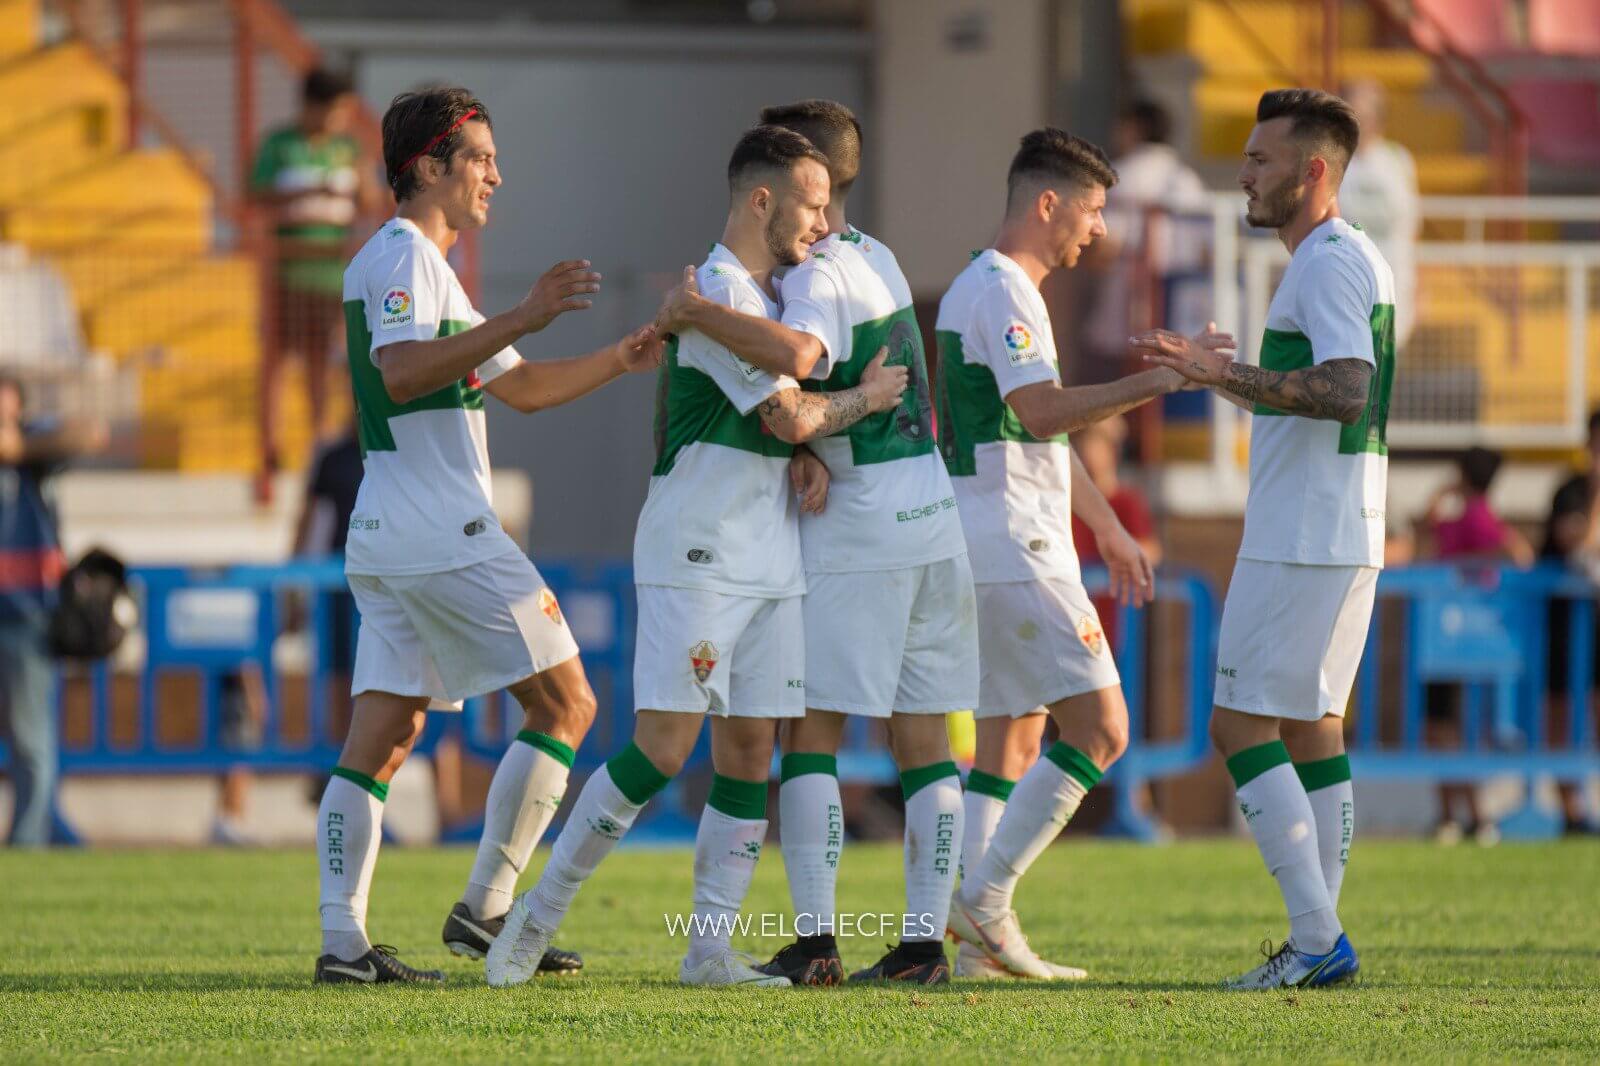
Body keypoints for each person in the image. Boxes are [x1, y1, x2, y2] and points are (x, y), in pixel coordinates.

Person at [486, 125, 907, 990]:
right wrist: (865, 399)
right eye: (813, 204)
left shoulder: (761, 294)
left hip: (770, 553)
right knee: (665, 749)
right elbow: (791, 412)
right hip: (702, 549)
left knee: (752, 750)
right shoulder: (714, 291)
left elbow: (784, 424)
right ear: (762, 199)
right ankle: (534, 920)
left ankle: (709, 950)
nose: (823, 223)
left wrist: (802, 448)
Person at [314, 86, 665, 985]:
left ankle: (344, 946)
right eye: (478, 158)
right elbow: (399, 376)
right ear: (427, 166)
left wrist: (622, 356)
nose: (496, 176)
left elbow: (525, 388)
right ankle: (487, 908)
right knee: (568, 706)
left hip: (396, 527)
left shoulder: (423, 267)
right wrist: (524, 313)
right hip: (440, 529)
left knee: (385, 737)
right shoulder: (404, 258)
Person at [647, 99, 974, 987]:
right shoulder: (886, 256)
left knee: (810, 733)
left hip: (864, 528)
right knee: (927, 742)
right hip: (932, 514)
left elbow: (800, 368)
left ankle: (820, 939)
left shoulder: (819, 274)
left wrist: (697, 315)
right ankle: (920, 946)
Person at [1136, 88, 1395, 990]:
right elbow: (1321, 387)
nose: (1244, 174)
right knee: (1314, 732)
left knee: (1238, 724)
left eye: (1260, 160)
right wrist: (1221, 378)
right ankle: (1317, 936)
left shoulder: (1323, 263)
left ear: (1312, 171)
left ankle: (1318, 939)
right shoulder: (1352, 255)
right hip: (1343, 526)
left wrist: (1227, 370)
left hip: (1302, 535)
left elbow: (1344, 388)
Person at [939, 128, 1201, 980]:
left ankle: (975, 948)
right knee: (1103, 728)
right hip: (1017, 541)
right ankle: (985, 899)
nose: (1097, 232)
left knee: (1011, 740)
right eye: (1091, 212)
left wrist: (1113, 528)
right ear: (1047, 203)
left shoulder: (983, 285)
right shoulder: (1008, 291)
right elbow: (1046, 412)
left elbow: (1032, 430)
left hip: (991, 530)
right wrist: (1156, 382)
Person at [251, 66, 386, 477]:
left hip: (331, 277)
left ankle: (315, 444)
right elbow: (254, 192)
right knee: (276, 361)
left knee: (319, 363)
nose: (340, 118)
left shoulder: (348, 149)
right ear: (312, 106)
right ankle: (269, 448)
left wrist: (362, 176)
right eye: (334, 109)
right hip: (287, 272)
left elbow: (370, 202)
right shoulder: (279, 144)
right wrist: (310, 190)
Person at [0, 372, 105, 846]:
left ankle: (28, 842)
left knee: (29, 737)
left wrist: (19, 449)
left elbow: (91, 430)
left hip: (27, 614)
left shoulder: (34, 451)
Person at [1419, 446, 1531, 845]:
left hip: (1456, 634)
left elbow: (1516, 554)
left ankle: (1471, 815)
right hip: (1453, 634)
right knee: (1446, 728)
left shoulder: (1476, 517)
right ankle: (1458, 814)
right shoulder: (1474, 515)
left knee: (1448, 729)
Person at [1083, 98, 1211, 379]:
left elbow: (1106, 247)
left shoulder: (1121, 177)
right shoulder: (1189, 181)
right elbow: (1206, 253)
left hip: (1126, 316)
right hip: (1179, 312)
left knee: (1114, 404)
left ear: (1134, 128)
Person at [1540, 409, 1600, 835]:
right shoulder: (1571, 492)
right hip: (1566, 628)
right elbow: (1574, 539)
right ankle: (1571, 812)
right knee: (1560, 714)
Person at [1340, 79, 1420, 349]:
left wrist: (1419, 286)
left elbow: (1411, 226)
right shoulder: (1330, 163)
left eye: (1362, 114)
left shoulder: (1398, 160)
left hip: (1391, 290)